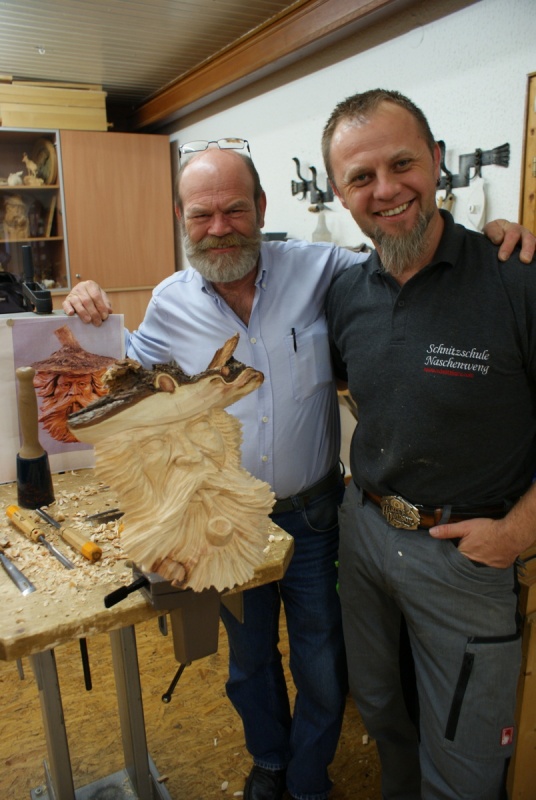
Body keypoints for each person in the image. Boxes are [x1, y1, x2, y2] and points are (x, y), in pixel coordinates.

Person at [63, 143, 534, 800]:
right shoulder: (169, 304)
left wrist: (492, 238)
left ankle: (309, 779)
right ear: (180, 218)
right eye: (202, 215)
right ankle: (270, 761)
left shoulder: (325, 269)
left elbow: (409, 248)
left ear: (261, 207)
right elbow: (126, 379)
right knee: (250, 660)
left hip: (314, 516)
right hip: (225, 519)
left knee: (322, 659)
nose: (220, 228)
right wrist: (85, 308)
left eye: (235, 209)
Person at [322, 87, 536, 800]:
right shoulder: (346, 293)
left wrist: (516, 532)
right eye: (361, 176)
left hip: (466, 555)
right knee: (381, 708)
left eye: (402, 163)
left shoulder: (515, 278)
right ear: (340, 193)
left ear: (437, 160)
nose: (386, 189)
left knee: (466, 757)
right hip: (365, 533)